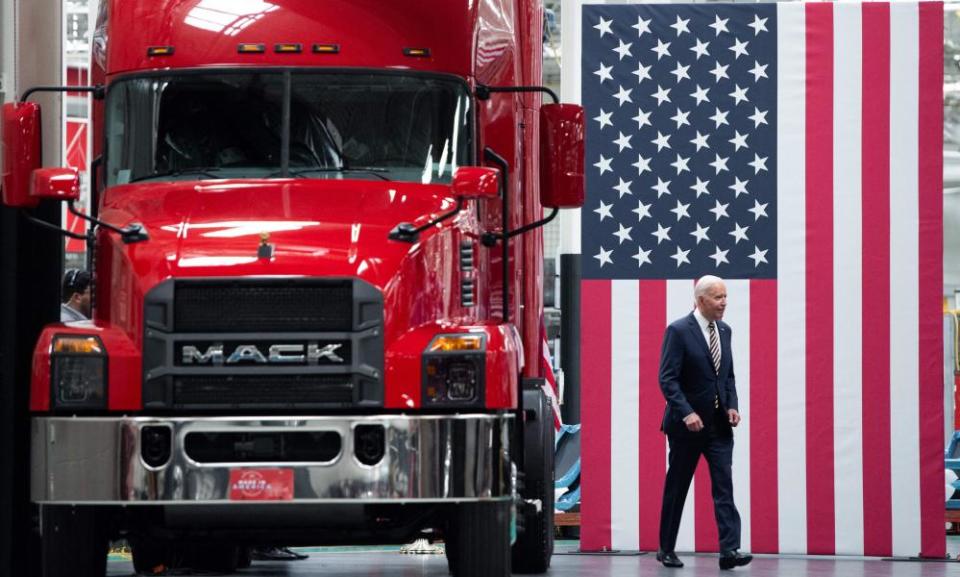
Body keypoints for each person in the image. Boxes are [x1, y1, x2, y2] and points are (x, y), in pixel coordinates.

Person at [656, 275, 751, 570]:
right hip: (686, 428)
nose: (724, 303)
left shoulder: (725, 331)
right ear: (700, 300)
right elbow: (667, 379)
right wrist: (686, 412)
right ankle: (666, 548)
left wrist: (732, 405)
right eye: (718, 297)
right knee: (678, 487)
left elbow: (728, 376)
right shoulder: (678, 331)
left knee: (724, 486)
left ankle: (729, 550)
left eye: (725, 297)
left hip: (719, 427)